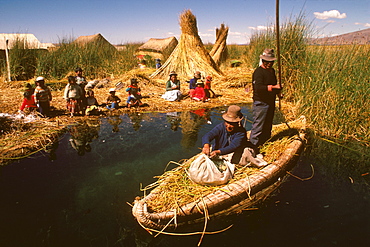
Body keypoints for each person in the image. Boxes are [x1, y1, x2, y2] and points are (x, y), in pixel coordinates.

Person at [202, 105, 267, 168]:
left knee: (246, 154)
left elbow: (233, 146)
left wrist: (218, 152)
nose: (228, 125)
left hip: (232, 152)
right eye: (227, 122)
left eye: (231, 123)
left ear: (237, 123)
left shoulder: (241, 132)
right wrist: (206, 145)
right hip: (220, 151)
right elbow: (208, 135)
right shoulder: (220, 127)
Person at [249, 48, 282, 152]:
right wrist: (273, 87)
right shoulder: (258, 72)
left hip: (270, 101)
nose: (269, 64)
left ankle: (265, 144)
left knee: (268, 124)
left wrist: (278, 93)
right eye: (266, 62)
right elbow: (258, 88)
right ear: (262, 61)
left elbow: (275, 83)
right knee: (258, 126)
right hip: (261, 102)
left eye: (271, 62)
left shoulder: (272, 71)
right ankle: (252, 148)